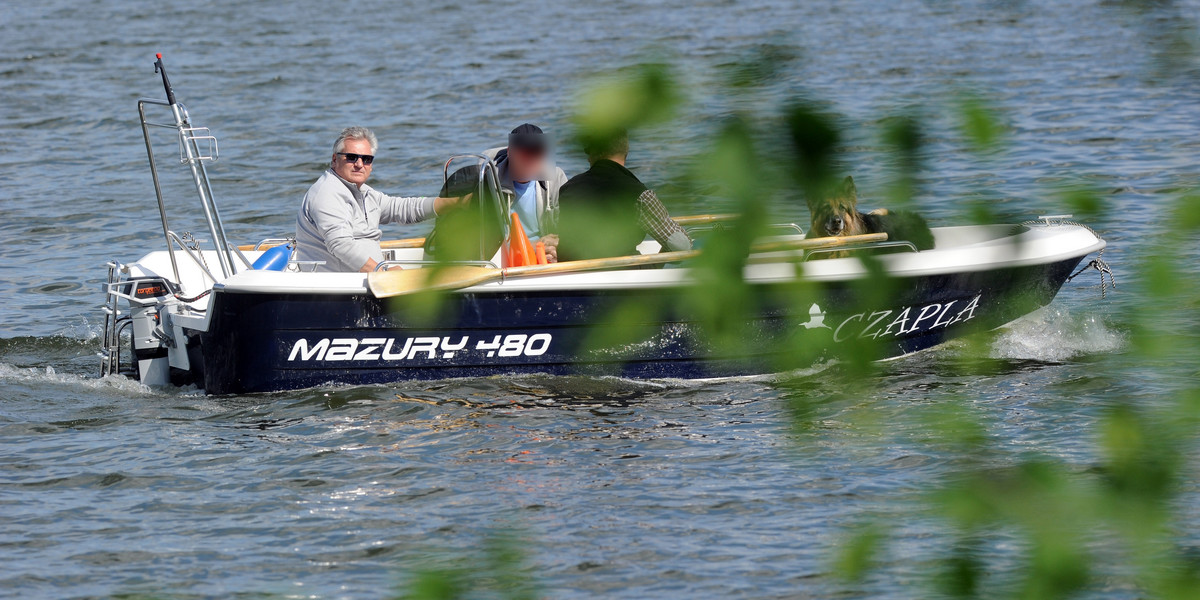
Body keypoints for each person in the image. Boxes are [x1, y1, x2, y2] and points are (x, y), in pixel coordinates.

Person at [295, 127, 463, 272]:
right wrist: (381, 271)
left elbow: (403, 208)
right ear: (334, 159)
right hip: (340, 288)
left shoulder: (364, 192)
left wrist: (457, 203)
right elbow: (341, 245)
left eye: (366, 159)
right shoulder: (327, 193)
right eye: (352, 157)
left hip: (369, 278)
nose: (360, 164)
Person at [428, 124, 568, 262]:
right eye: (524, 153)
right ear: (509, 152)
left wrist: (555, 246)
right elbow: (483, 241)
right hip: (504, 257)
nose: (530, 159)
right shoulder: (488, 183)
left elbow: (567, 226)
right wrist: (531, 248)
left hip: (544, 254)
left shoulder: (556, 178)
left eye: (536, 153)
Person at [557, 130, 692, 261]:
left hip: (573, 273)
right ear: (625, 151)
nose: (587, 157)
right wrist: (659, 261)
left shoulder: (567, 189)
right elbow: (681, 246)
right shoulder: (640, 195)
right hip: (620, 273)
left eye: (588, 150)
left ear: (598, 152)